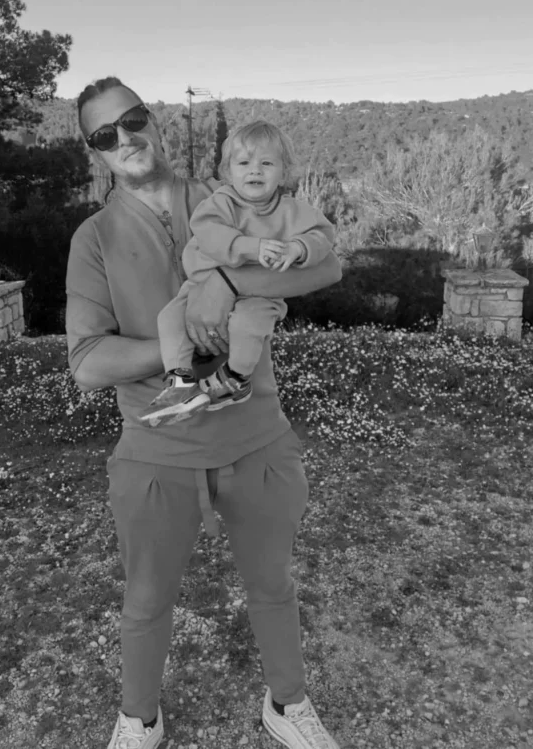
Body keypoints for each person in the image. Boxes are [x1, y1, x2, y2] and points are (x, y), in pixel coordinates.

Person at [67, 76, 344, 749]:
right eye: (105, 133)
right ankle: (140, 717)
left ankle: (287, 703)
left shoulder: (228, 196)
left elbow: (326, 267)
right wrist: (182, 345)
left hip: (257, 435)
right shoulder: (94, 237)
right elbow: (88, 364)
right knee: (145, 597)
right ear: (94, 151)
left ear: (154, 122)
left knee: (273, 583)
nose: (125, 137)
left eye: (133, 118)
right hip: (156, 447)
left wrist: (224, 282)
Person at [139, 120, 336, 427]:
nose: (255, 170)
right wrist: (251, 247)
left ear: (284, 172)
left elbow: (323, 235)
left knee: (249, 324)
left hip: (260, 293)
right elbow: (209, 233)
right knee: (169, 317)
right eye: (244, 163)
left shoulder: (293, 211)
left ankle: (236, 378)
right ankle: (179, 381)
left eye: (266, 163)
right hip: (202, 286)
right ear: (228, 172)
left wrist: (298, 248)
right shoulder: (221, 203)